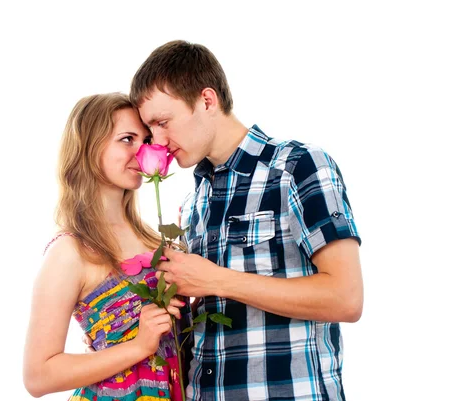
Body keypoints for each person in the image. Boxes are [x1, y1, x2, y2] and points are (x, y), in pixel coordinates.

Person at [129, 40, 364, 401]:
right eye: (150, 130)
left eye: (163, 122)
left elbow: (346, 298)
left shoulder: (298, 167)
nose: (158, 141)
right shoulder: (193, 204)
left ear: (207, 101)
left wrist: (217, 280)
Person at [23, 93, 186, 400]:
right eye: (127, 139)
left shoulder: (158, 241)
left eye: (146, 139)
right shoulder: (69, 252)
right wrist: (139, 346)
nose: (142, 150)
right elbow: (37, 376)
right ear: (89, 147)